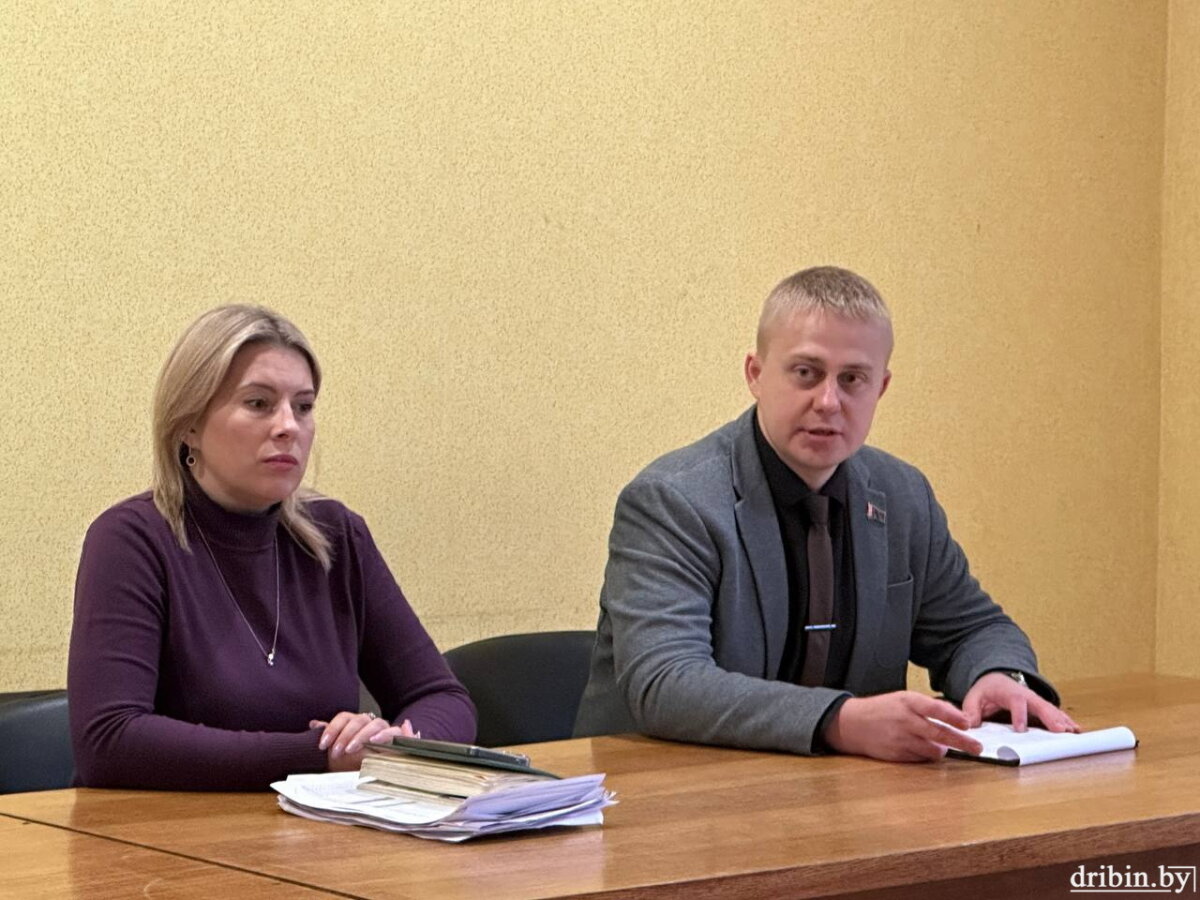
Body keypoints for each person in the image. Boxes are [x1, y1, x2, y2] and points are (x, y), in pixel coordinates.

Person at [575, 266, 1079, 763]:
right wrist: (839, 721)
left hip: (845, 794)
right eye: (806, 373)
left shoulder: (903, 496)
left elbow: (973, 629)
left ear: (880, 388)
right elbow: (666, 683)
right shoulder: (673, 501)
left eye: (853, 379)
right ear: (755, 374)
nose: (829, 401)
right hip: (669, 791)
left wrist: (997, 675)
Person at [69, 305, 475, 790]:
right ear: (189, 423)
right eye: (259, 403)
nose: (288, 426)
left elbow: (443, 698)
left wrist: (392, 745)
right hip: (164, 831)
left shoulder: (338, 536)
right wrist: (318, 754)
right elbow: (110, 741)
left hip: (316, 826)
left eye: (303, 407)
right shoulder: (131, 540)